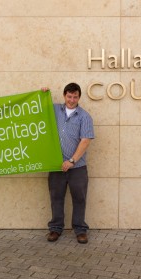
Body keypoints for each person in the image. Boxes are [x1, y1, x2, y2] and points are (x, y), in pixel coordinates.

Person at [44, 83, 95, 244]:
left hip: (77, 167)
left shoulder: (84, 117)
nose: (72, 100)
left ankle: (80, 230)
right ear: (64, 96)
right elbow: (36, 109)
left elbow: (85, 141)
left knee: (79, 198)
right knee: (56, 197)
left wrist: (72, 161)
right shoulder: (54, 110)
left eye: (75, 97)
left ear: (79, 97)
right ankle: (55, 229)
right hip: (56, 166)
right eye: (69, 96)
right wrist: (42, 95)